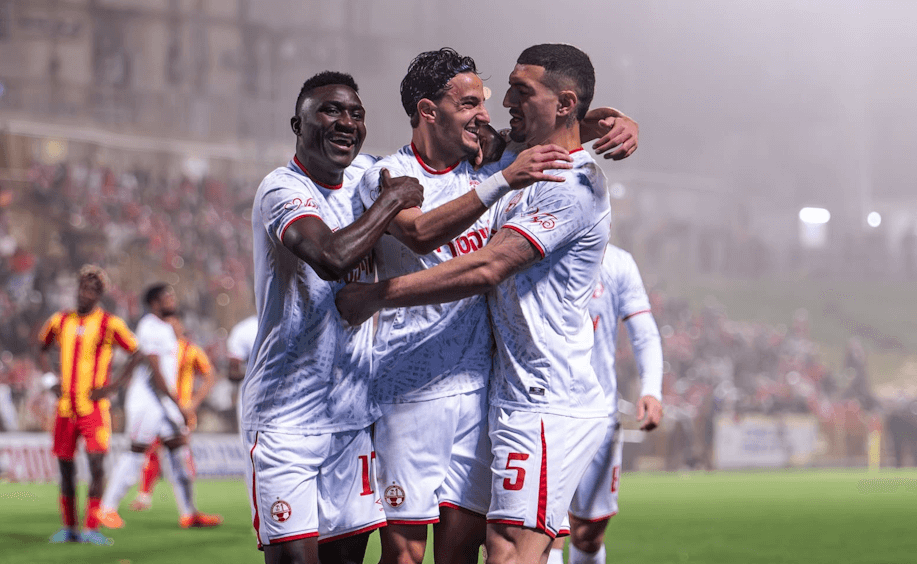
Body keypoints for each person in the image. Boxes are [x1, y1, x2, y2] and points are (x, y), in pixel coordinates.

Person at [356, 47, 638, 564]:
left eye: (512, 93)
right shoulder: (421, 171)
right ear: (428, 111)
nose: (495, 108)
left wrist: (373, 296)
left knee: (497, 550)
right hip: (425, 388)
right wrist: (592, 124)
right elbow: (419, 232)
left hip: (521, 393)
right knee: (426, 554)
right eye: (472, 102)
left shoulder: (541, 175)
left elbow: (489, 266)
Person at [242, 71, 424, 564]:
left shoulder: (365, 173)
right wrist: (391, 200)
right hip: (285, 421)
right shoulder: (282, 189)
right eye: (330, 110)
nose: (346, 122)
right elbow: (331, 257)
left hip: (350, 420)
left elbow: (438, 153)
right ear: (297, 124)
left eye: (356, 114)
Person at [547, 245, 664, 564]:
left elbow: (644, 334)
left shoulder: (617, 263)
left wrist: (651, 389)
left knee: (588, 534)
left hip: (598, 412)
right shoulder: (538, 246)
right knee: (545, 531)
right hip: (544, 407)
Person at [97, 284, 221, 529]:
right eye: (167, 297)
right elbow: (155, 371)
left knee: (180, 451)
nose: (172, 299)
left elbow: (149, 363)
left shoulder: (164, 329)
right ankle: (106, 509)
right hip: (147, 401)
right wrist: (179, 405)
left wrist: (173, 404)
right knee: (136, 452)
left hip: (163, 401)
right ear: (155, 302)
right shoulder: (150, 326)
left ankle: (189, 513)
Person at [37, 265, 143, 546]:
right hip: (65, 408)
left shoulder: (110, 323)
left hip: (94, 408)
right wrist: (49, 379)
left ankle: (92, 528)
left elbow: (137, 352)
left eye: (92, 290)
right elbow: (42, 346)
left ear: (99, 295)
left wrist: (113, 386)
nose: (85, 294)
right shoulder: (60, 320)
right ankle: (69, 528)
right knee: (65, 468)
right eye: (83, 288)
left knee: (97, 464)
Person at [131, 314, 216, 512]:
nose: (170, 328)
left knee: (181, 455)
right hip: (157, 407)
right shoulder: (157, 350)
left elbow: (209, 374)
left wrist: (194, 403)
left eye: (174, 325)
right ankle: (145, 496)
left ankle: (188, 506)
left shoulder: (191, 350)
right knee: (152, 451)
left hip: (180, 411)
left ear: (181, 327)